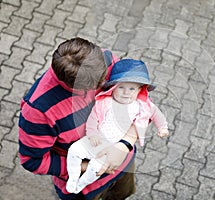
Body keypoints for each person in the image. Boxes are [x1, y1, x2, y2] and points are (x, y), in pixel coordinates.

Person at [18, 37, 139, 200]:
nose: (107, 82)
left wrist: (125, 145)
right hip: (85, 188)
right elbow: (32, 161)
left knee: (124, 193)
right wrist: (87, 167)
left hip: (124, 161)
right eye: (98, 84)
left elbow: (140, 103)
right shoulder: (38, 111)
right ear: (77, 86)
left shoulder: (104, 60)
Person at [66, 59, 169, 194]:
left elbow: (157, 114)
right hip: (97, 139)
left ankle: (82, 183)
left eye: (132, 89)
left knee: (97, 168)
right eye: (121, 87)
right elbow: (93, 119)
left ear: (140, 90)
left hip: (113, 147)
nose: (126, 92)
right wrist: (92, 134)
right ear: (113, 88)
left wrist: (162, 127)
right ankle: (73, 178)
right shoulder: (105, 102)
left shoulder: (141, 105)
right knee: (74, 151)